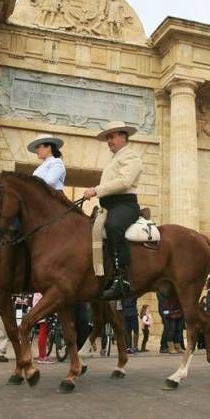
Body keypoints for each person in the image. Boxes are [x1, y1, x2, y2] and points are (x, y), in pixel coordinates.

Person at [83, 120, 143, 300]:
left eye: (112, 137)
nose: (109, 141)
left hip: (125, 204)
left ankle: (122, 278)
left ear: (123, 137)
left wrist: (96, 190)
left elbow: (124, 181)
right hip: (109, 205)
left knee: (114, 226)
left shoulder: (131, 156)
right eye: (108, 138)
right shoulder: (114, 159)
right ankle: (106, 275)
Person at [32, 292, 55, 364]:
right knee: (43, 331)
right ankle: (42, 356)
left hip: (39, 305)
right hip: (42, 306)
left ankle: (42, 355)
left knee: (43, 331)